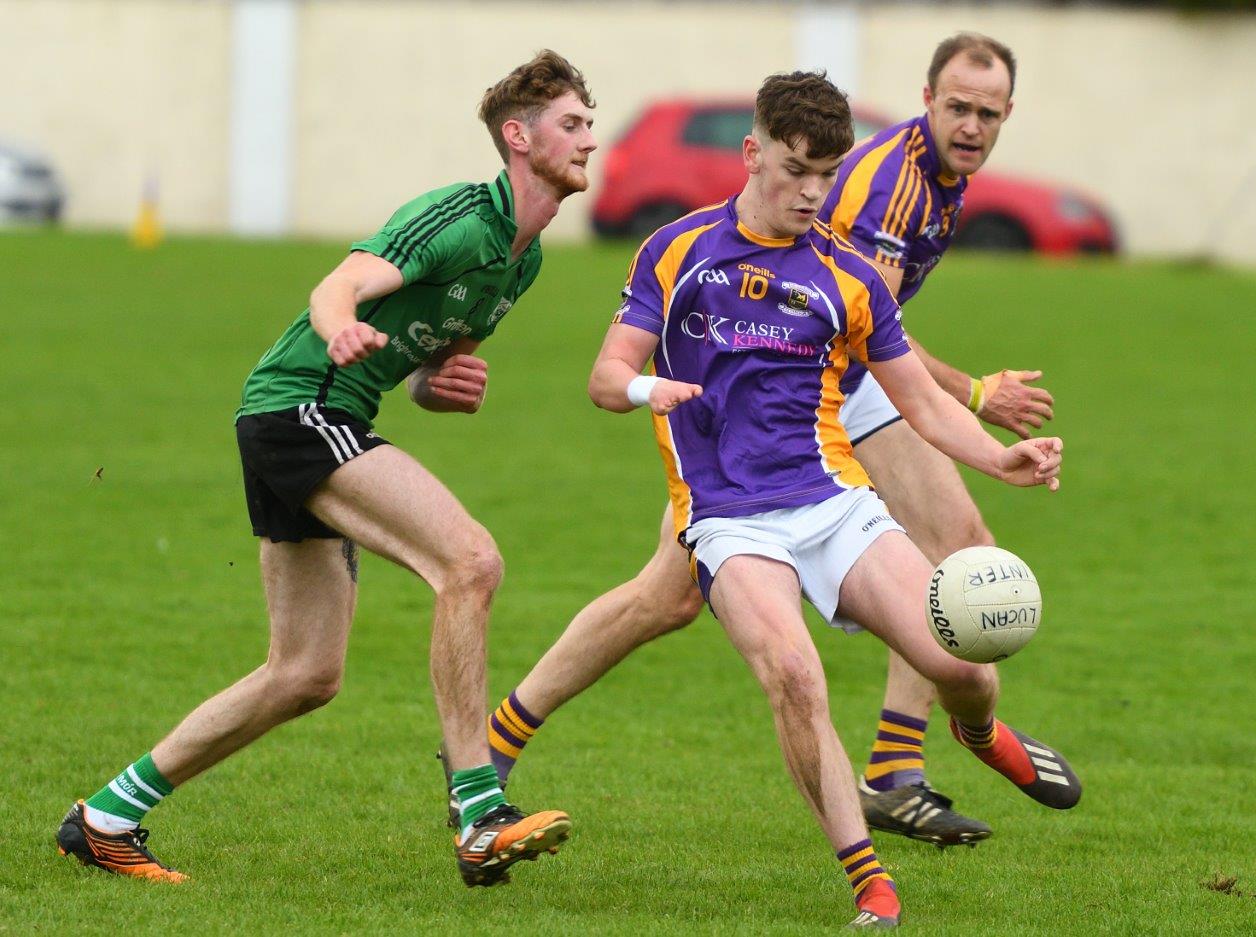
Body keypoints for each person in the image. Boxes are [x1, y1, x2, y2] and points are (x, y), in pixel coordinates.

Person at [474, 33, 1051, 848]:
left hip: (833, 384)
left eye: (986, 113)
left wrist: (983, 438)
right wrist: (980, 395)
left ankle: (895, 765)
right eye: (957, 106)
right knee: (670, 595)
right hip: (808, 397)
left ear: (1007, 116)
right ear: (927, 99)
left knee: (948, 543)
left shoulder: (941, 179)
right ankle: (497, 738)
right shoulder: (889, 190)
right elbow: (886, 345)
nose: (971, 125)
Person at [55, 50, 596, 888]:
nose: (589, 141)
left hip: (308, 418)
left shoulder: (521, 261)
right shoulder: (458, 219)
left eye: (590, 125)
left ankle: (104, 817)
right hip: (300, 409)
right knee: (470, 560)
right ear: (518, 137)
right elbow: (339, 283)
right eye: (572, 125)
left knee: (306, 671)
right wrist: (341, 324)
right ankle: (481, 812)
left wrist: (440, 384)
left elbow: (424, 376)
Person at [590, 69, 1079, 929]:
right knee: (793, 674)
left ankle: (974, 734)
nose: (813, 191)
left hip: (830, 499)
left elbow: (920, 403)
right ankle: (870, 881)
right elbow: (605, 374)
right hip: (729, 516)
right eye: (796, 169)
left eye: (826, 173)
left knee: (964, 660)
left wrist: (1003, 459)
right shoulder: (677, 249)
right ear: (753, 153)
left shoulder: (847, 273)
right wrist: (646, 393)